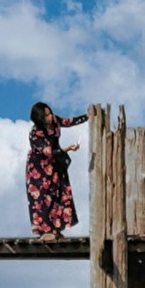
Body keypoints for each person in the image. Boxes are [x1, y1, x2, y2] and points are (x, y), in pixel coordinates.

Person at [25, 102, 87, 241]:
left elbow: (70, 121)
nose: (50, 117)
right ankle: (45, 231)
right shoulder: (36, 133)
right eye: (46, 115)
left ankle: (55, 229)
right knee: (42, 198)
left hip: (55, 164)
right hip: (40, 168)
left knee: (58, 194)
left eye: (50, 113)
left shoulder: (55, 121)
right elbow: (48, 152)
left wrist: (88, 116)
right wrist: (68, 149)